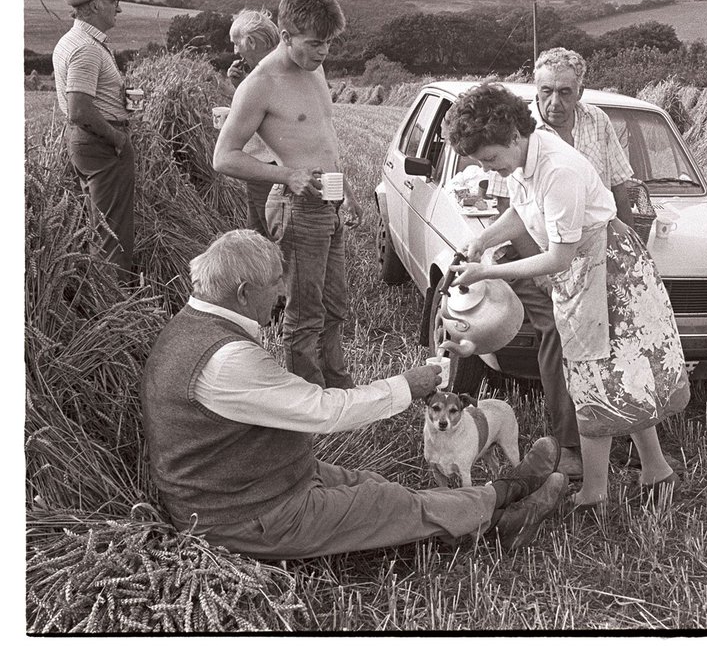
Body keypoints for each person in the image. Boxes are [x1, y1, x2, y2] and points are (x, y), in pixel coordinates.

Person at [140, 229, 567, 559]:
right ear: (243, 293)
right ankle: (510, 498)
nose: (283, 291)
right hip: (247, 516)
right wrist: (406, 386)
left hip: (260, 482)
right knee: (390, 505)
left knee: (379, 488)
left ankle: (481, 517)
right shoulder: (226, 361)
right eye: (275, 282)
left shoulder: (192, 325)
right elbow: (323, 411)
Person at [444, 82, 690, 511]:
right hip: (586, 269)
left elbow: (558, 257)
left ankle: (595, 493)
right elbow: (523, 212)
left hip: (606, 272)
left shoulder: (558, 169)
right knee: (617, 377)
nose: (490, 167)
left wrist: (489, 270)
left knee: (594, 381)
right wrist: (483, 239)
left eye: (491, 158)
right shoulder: (525, 160)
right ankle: (656, 469)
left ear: (514, 137)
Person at [485, 48, 642, 480]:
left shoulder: (597, 123)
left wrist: (626, 255)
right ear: (535, 91)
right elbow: (512, 210)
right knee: (558, 329)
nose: (554, 102)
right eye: (546, 91)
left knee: (614, 340)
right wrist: (542, 273)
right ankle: (569, 443)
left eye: (564, 92)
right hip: (536, 253)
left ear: (580, 93)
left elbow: (619, 187)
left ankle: (621, 436)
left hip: (591, 250)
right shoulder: (516, 131)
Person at [214, 0, 363, 389]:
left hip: (328, 200)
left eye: (329, 43)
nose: (324, 52)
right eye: (315, 44)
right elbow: (224, 156)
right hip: (298, 207)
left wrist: (344, 187)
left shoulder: (315, 67)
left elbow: (321, 135)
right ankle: (309, 401)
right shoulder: (260, 84)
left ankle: (339, 390)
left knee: (336, 306)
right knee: (304, 314)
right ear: (285, 36)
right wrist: (287, 175)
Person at [52, 0, 137, 282]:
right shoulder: (86, 48)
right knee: (112, 233)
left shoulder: (74, 41)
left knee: (100, 226)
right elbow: (79, 109)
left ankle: (100, 299)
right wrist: (117, 139)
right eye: (114, 1)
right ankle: (113, 308)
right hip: (101, 144)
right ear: (94, 6)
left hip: (88, 142)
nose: (119, 8)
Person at [219, 9, 282, 238]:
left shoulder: (273, 71)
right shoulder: (266, 70)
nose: (236, 51)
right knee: (257, 233)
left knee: (271, 234)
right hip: (259, 163)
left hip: (271, 165)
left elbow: (271, 113)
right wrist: (240, 84)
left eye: (237, 44)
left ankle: (278, 274)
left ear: (252, 42)